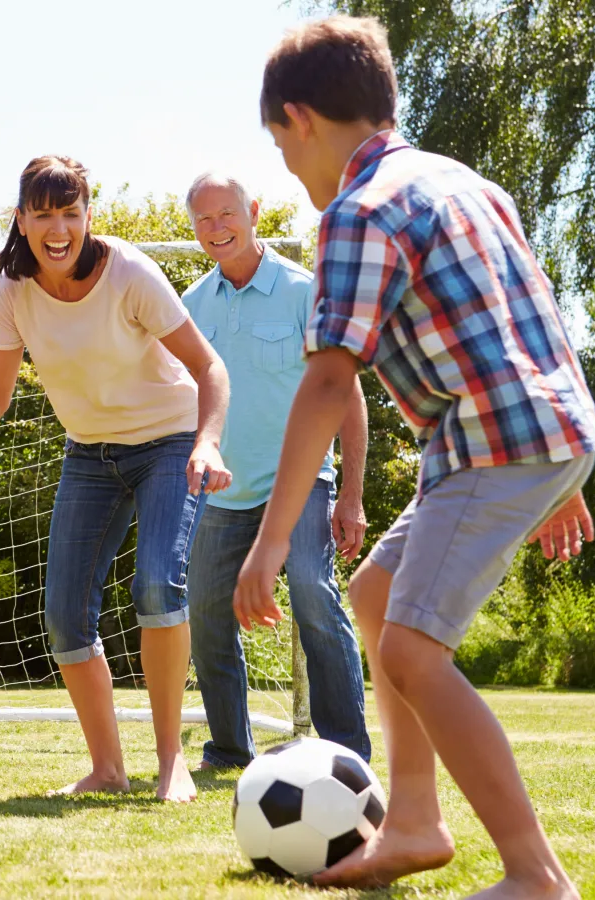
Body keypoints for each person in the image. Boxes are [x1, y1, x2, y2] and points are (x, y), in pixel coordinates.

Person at [235, 17, 595, 898]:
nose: (291, 169)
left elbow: (329, 384)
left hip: (495, 443)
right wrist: (562, 466)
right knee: (376, 596)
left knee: (410, 650)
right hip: (530, 430)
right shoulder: (460, 181)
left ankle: (535, 875)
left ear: (301, 119)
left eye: (283, 148)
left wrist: (271, 539)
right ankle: (411, 823)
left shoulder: (355, 214)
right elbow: (534, 303)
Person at [0, 156, 231, 803]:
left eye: (70, 212)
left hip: (169, 443)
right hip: (90, 453)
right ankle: (108, 768)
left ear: (89, 217)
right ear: (22, 219)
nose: (57, 228)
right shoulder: (12, 290)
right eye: (43, 213)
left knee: (156, 583)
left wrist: (205, 443)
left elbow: (210, 369)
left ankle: (171, 761)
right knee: (64, 617)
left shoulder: (129, 274)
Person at [180, 172, 373, 769]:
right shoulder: (190, 306)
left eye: (227, 214)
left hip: (304, 483)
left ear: (253, 211)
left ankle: (347, 754)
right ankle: (230, 749)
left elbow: (348, 396)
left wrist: (353, 497)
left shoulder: (302, 291)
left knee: (314, 594)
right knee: (207, 612)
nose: (217, 229)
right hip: (222, 493)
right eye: (204, 220)